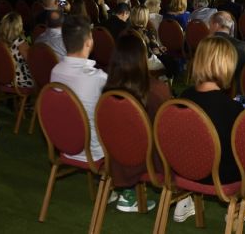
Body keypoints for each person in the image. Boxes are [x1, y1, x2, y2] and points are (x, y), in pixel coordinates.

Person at [102, 34, 172, 214]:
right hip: (148, 159)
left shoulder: (107, 89)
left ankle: (126, 189)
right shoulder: (156, 90)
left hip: (116, 156)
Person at [181, 36, 243, 184]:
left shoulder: (183, 98)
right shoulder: (231, 108)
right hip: (219, 176)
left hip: (184, 169)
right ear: (227, 66)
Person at [50, 15, 107, 163]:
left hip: (64, 146)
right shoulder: (97, 78)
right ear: (88, 43)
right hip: (93, 151)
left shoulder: (55, 71)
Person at [208, 11, 245, 85]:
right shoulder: (242, 45)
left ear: (216, 25)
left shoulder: (206, 45)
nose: (209, 28)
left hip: (212, 86)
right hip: (237, 86)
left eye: (210, 25)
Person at [0, 12, 34, 88]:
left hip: (2, 79)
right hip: (21, 81)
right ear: (19, 26)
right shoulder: (20, 43)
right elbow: (32, 63)